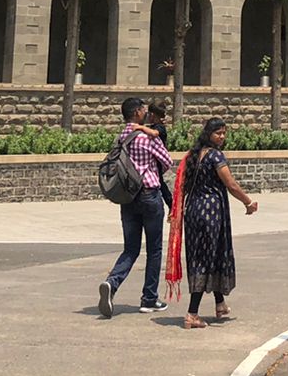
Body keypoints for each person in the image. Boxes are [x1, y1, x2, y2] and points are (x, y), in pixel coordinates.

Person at [98, 96, 173, 318]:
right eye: (142, 109)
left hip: (128, 198)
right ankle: (149, 298)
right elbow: (167, 162)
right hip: (149, 196)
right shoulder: (146, 137)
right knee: (154, 249)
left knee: (130, 248)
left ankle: (112, 282)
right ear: (138, 112)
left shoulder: (122, 137)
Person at [180, 117, 258, 329]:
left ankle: (220, 304)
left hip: (194, 211)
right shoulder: (215, 156)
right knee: (207, 258)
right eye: (218, 133)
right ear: (208, 134)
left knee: (208, 255)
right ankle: (192, 314)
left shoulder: (195, 155)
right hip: (211, 213)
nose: (222, 137)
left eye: (224, 133)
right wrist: (248, 202)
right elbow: (231, 184)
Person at [147, 103, 173, 209]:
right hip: (155, 159)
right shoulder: (155, 126)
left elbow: (155, 133)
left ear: (152, 115)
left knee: (160, 183)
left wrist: (139, 127)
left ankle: (171, 204)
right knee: (160, 182)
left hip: (158, 160)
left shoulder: (159, 128)